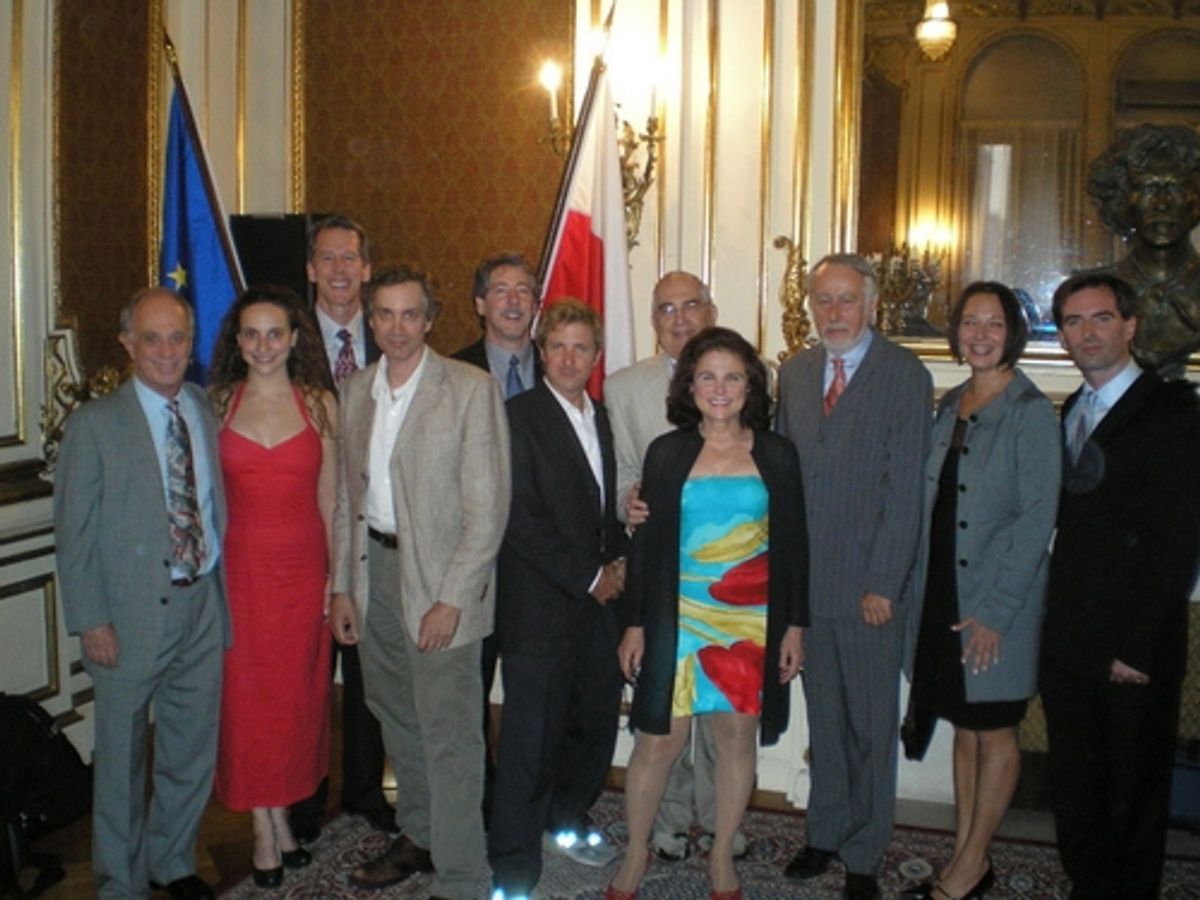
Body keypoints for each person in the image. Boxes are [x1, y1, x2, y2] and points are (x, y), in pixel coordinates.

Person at [328, 264, 510, 898]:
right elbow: (346, 500)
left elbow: (488, 511)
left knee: (450, 732)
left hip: (439, 579)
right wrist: (342, 588)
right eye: (385, 314)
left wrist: (450, 599)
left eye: (410, 314)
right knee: (395, 715)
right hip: (373, 575)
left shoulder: (469, 389)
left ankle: (462, 876)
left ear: (430, 320)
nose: (397, 327)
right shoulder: (355, 391)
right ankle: (421, 834)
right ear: (370, 319)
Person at [608, 326, 809, 900]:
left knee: (735, 740)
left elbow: (795, 546)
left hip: (748, 622)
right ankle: (636, 853)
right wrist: (635, 623)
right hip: (676, 619)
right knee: (657, 742)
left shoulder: (777, 454)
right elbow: (646, 548)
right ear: (689, 386)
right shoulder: (666, 452)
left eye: (732, 377)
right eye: (707, 377)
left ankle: (722, 856)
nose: (720, 388)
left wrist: (795, 626)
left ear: (751, 386)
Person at [54, 288, 228, 900]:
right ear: (128, 344)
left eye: (177, 337)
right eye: (152, 339)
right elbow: (73, 534)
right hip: (125, 618)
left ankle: (171, 860)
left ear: (191, 341)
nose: (166, 351)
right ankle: (120, 884)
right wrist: (91, 620)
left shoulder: (204, 407)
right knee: (122, 762)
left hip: (201, 605)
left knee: (189, 747)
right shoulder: (94, 425)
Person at [775, 253, 932, 900]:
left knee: (870, 726)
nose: (833, 312)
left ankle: (865, 854)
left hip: (870, 590)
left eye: (846, 300)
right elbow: (785, 481)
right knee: (826, 721)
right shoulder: (796, 372)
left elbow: (906, 490)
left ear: (871, 305)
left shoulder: (905, 374)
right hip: (809, 588)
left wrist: (885, 583)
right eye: (823, 300)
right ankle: (825, 832)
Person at [1041, 271, 1200, 900]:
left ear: (1129, 326)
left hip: (1134, 647)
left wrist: (1137, 646)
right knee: (1077, 789)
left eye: (1101, 318)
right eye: (1073, 322)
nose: (1087, 333)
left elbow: (1178, 540)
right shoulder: (1072, 410)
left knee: (1132, 798)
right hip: (1071, 640)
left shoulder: (1173, 412)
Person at [899, 283, 1060, 900]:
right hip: (947, 594)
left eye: (994, 323)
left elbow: (1037, 521)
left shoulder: (1029, 412)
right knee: (964, 727)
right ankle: (969, 854)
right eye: (970, 322)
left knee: (994, 729)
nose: (981, 334)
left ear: (1012, 332)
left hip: (997, 604)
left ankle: (968, 867)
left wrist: (996, 611)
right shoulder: (952, 403)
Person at [607, 271, 753, 862]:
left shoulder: (747, 377)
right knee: (665, 719)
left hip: (732, 579)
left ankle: (723, 826)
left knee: (727, 721)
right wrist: (629, 501)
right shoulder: (623, 388)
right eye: (666, 308)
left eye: (691, 305)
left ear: (711, 311)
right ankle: (665, 823)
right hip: (666, 575)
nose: (680, 318)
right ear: (653, 321)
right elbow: (621, 471)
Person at [487, 299, 628, 898]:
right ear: (541, 352)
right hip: (540, 608)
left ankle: (565, 819)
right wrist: (589, 576)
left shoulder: (605, 418)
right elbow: (518, 518)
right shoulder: (516, 417)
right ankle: (513, 868)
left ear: (596, 356)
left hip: (600, 609)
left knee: (593, 726)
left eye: (582, 347)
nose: (570, 359)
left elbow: (607, 507)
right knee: (531, 742)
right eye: (559, 346)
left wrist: (619, 558)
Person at [208, 287, 338, 888]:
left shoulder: (320, 404)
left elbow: (332, 499)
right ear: (237, 342)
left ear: (294, 339)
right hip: (239, 575)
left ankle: (282, 815)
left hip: (304, 574)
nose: (263, 346)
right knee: (247, 704)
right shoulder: (216, 403)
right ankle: (262, 825)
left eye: (274, 333)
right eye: (251, 334)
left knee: (294, 703)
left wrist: (337, 580)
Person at [293, 214, 393, 840]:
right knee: (306, 679)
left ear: (366, 268)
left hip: (372, 539)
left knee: (366, 677)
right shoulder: (283, 342)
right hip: (303, 539)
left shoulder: (393, 341)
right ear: (311, 269)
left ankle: (364, 791)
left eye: (349, 258)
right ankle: (303, 800)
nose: (338, 270)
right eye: (327, 258)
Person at [452, 252, 543, 825]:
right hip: (471, 561)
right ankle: (476, 802)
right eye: (501, 290)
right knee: (470, 688)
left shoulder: (563, 367)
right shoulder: (449, 373)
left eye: (524, 290)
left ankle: (525, 799)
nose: (513, 300)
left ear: (536, 304)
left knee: (535, 695)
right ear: (481, 303)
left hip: (540, 564)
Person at [1086, 124, 1200, 378]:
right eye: (1147, 188)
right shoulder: (1093, 292)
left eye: (1177, 188)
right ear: (1122, 199)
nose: (1162, 203)